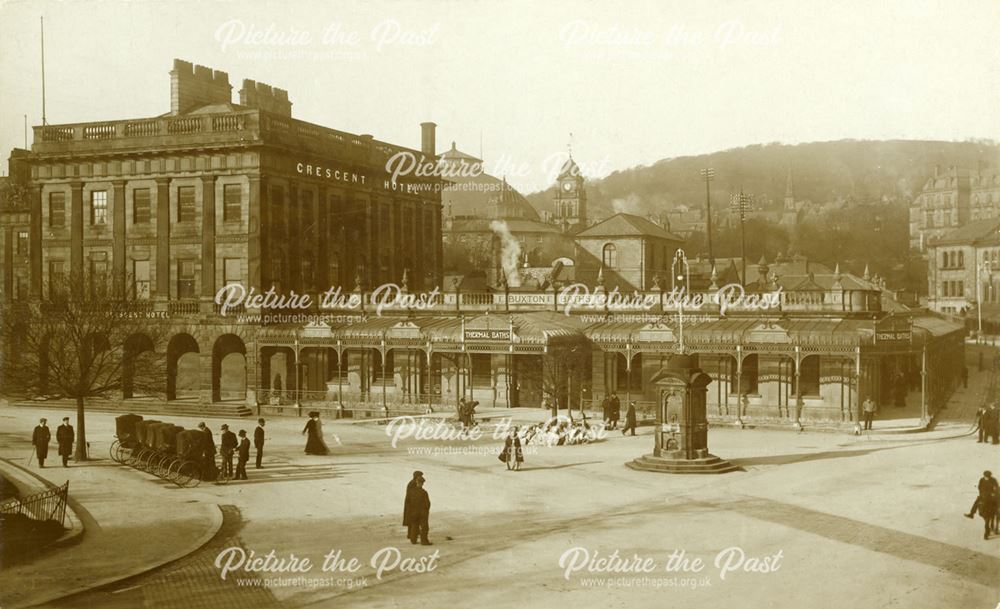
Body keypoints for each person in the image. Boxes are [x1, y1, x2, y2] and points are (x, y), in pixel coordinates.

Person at [402, 470, 432, 545]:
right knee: (422, 525)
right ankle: (423, 540)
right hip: (420, 511)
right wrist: (426, 510)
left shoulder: (412, 486)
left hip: (412, 509)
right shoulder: (422, 491)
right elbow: (427, 503)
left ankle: (413, 538)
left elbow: (409, 498)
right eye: (420, 476)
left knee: (413, 523)